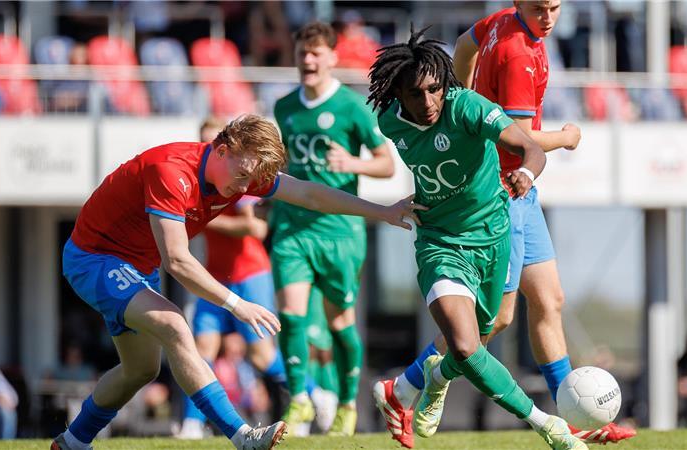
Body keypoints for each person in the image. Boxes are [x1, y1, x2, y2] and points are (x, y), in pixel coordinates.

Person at [52, 114, 420, 450]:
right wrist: (237, 305)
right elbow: (178, 261)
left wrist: (383, 212)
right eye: (242, 176)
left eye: (251, 179)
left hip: (137, 266)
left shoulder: (239, 172)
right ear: (223, 149)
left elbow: (309, 194)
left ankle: (72, 441)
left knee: (141, 370)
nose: (245, 187)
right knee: (175, 325)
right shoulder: (170, 171)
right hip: (94, 259)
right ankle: (243, 437)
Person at [374, 2, 635, 446]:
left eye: (555, 6)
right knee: (490, 327)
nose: (549, 16)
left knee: (549, 301)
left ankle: (572, 413)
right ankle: (423, 388)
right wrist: (568, 138)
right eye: (539, 7)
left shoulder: (497, 28)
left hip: (515, 195)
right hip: (492, 201)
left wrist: (453, 89)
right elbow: (520, 140)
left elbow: (463, 46)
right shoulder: (515, 52)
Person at [272, 21, 395, 437]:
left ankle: (346, 402)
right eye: (302, 53)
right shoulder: (283, 107)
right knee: (289, 315)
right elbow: (285, 164)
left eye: (316, 53)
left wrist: (354, 164)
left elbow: (387, 163)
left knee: (340, 323)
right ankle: (299, 399)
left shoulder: (350, 107)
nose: (308, 60)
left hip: (340, 231)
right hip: (293, 227)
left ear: (332, 57)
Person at [176, 117, 288, 439]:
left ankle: (311, 393)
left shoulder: (243, 178)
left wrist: (207, 222)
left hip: (251, 273)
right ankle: (192, 424)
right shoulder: (198, 179)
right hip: (214, 274)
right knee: (200, 349)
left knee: (262, 355)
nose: (213, 150)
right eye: (207, 142)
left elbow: (257, 228)